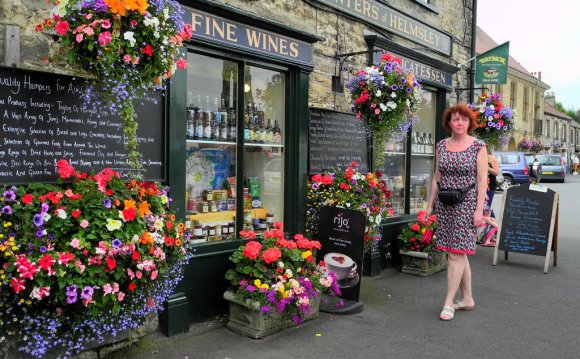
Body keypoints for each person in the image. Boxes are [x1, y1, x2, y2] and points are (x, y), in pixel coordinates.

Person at [423, 103, 488, 321]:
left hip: (467, 205)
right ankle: (467, 299)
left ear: (469, 123)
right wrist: (429, 207)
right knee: (458, 253)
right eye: (455, 119)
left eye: (464, 119)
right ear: (449, 122)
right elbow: (436, 178)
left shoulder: (478, 146)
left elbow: (482, 180)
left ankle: (448, 302)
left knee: (454, 254)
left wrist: (479, 210)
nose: (459, 123)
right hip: (445, 204)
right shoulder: (441, 145)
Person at [486, 149, 500, 217]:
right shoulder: (478, 157)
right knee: (483, 207)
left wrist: (487, 168)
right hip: (480, 186)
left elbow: (496, 172)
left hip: (490, 186)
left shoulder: (491, 158)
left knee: (486, 207)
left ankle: (492, 224)